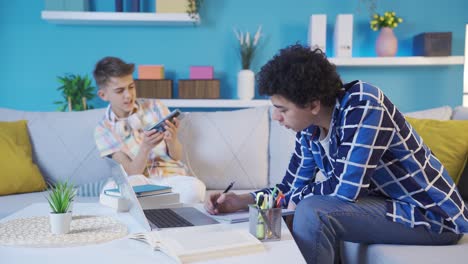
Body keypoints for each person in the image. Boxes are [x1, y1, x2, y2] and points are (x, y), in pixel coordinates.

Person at [205, 44, 468, 263]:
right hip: (390, 208)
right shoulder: (309, 131)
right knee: (301, 207)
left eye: (282, 109)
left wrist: (294, 199)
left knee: (312, 210)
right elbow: (290, 187)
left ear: (313, 104)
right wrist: (240, 200)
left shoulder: (364, 104)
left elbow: (345, 190)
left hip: (432, 217)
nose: (276, 117)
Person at [93, 56, 206, 203]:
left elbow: (177, 156)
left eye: (131, 87)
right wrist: (145, 148)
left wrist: (172, 139)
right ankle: (158, 203)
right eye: (120, 91)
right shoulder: (103, 130)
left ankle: (152, 205)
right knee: (109, 192)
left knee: (196, 189)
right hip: (140, 181)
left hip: (171, 177)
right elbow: (132, 172)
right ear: (103, 95)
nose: (128, 95)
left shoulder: (155, 106)